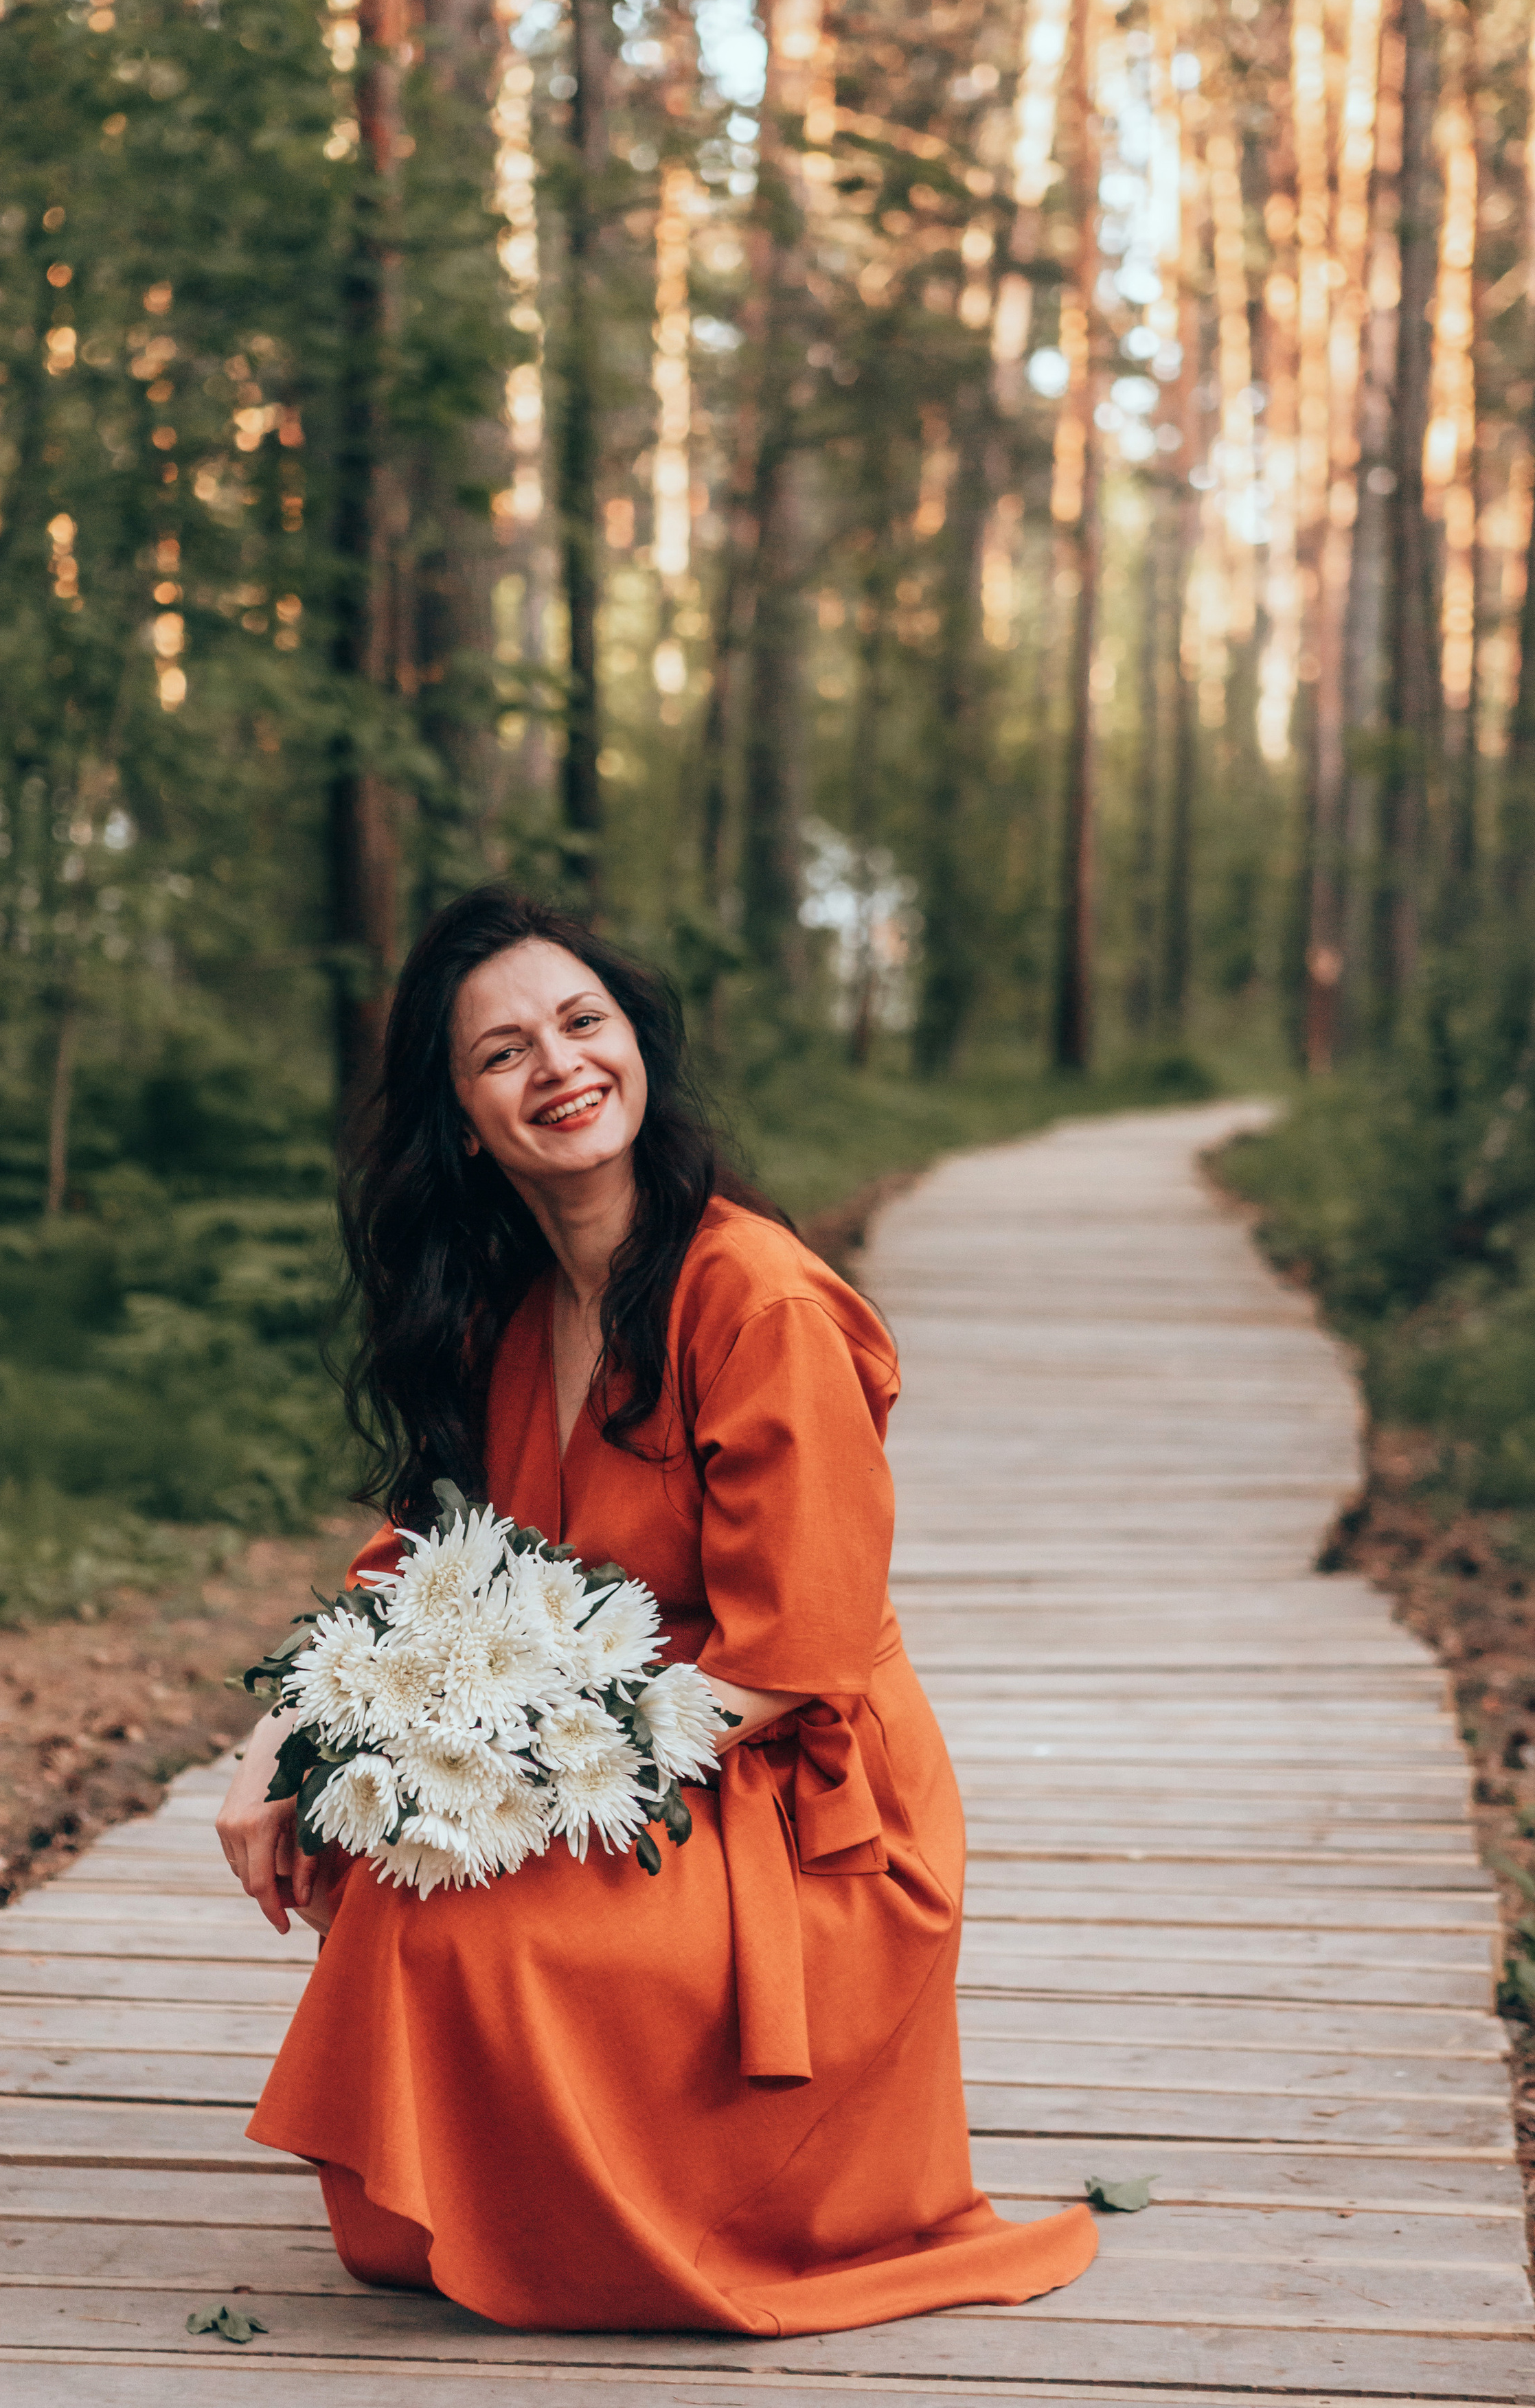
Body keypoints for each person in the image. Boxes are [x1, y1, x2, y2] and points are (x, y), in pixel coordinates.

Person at [218, 884, 1098, 2335]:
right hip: (614, 1736)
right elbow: (429, 1556)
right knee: (384, 1862)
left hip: (793, 1791)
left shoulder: (756, 1301)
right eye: (503, 1052)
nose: (557, 1066)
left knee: (462, 1911)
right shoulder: (508, 1303)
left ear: (636, 1045)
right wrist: (282, 1745)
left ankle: (647, 2210)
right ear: (461, 1117)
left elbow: (797, 1656)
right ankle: (504, 2198)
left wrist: (513, 1773)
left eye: (583, 1022)